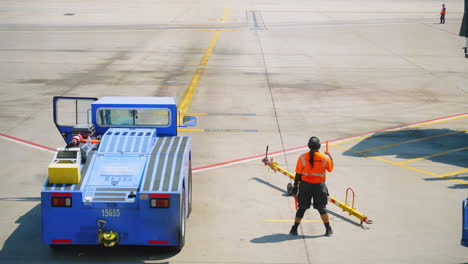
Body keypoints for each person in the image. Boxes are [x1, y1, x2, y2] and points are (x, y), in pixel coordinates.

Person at [289, 136, 334, 236]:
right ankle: (328, 230)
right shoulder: (325, 158)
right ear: (319, 146)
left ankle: (294, 229)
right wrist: (330, 157)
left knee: (302, 208)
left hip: (305, 187)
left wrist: (295, 187)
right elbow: (330, 169)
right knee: (322, 208)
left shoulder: (302, 157)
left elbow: (298, 174)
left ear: (309, 146)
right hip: (319, 187)